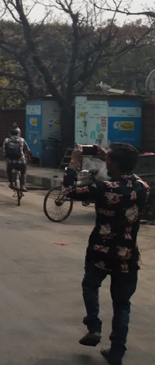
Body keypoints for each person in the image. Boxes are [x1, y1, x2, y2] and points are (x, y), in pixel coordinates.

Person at [63, 144, 149, 365]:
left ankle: (94, 326)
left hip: (99, 252)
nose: (106, 162)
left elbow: (69, 190)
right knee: (122, 304)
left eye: (109, 160)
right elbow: (132, 178)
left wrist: (73, 162)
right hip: (127, 255)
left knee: (90, 286)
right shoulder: (142, 188)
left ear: (116, 164)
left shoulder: (103, 188)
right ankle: (117, 352)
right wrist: (107, 158)